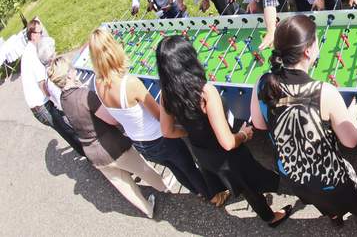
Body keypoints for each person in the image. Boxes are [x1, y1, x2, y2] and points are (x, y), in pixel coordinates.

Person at [250, 15, 357, 228]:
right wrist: (351, 116)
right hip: (330, 178)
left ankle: (335, 219)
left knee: (321, 203)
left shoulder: (262, 83)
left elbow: (260, 124)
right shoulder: (324, 92)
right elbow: (351, 140)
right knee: (354, 199)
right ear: (308, 50)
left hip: (292, 175)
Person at [156, 35, 291, 227]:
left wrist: (192, 132)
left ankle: (265, 211)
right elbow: (227, 142)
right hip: (228, 156)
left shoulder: (167, 94)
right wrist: (244, 134)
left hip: (202, 154)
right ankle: (273, 216)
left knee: (243, 186)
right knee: (252, 184)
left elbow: (167, 131)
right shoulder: (205, 91)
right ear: (188, 59)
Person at [88, 28, 220, 204]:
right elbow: (159, 114)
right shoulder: (130, 83)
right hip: (160, 138)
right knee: (189, 168)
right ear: (114, 49)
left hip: (140, 143)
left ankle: (198, 192)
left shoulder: (96, 83)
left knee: (176, 169)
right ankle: (213, 196)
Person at [49, 56, 169, 218]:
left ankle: (148, 210)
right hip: (111, 147)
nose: (74, 70)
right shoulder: (85, 95)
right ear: (68, 75)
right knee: (142, 168)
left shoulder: (63, 100)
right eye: (71, 68)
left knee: (124, 185)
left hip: (93, 154)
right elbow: (111, 120)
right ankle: (163, 187)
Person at [21, 18, 84, 156]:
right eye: (40, 32)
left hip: (40, 104)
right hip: (42, 106)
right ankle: (91, 157)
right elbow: (42, 84)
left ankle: (88, 151)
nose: (42, 34)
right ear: (33, 35)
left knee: (69, 126)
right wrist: (56, 100)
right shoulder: (33, 55)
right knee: (68, 130)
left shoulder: (32, 49)